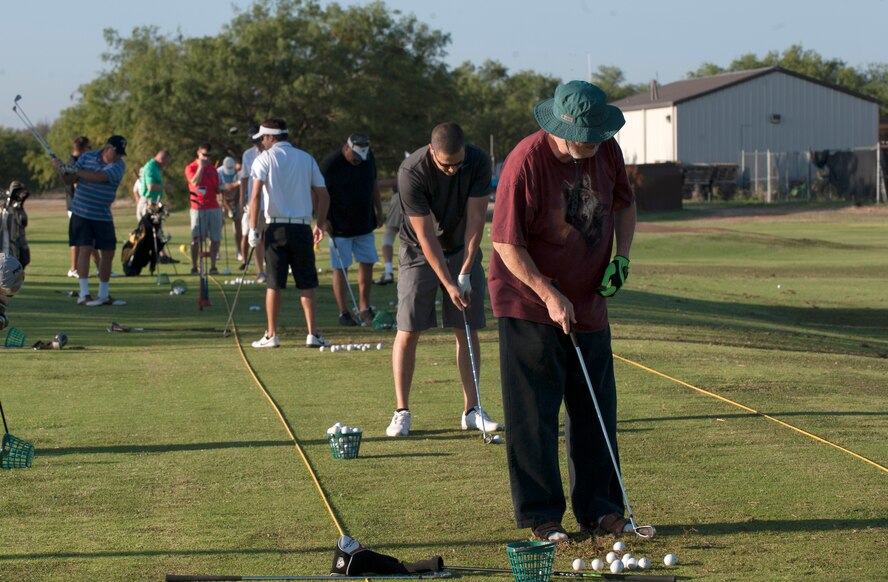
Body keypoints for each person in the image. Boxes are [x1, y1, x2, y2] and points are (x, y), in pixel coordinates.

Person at [488, 81, 637, 542]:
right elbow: (505, 243)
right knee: (533, 414)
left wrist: (622, 257)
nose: (593, 146)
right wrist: (548, 294)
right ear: (562, 128)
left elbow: (624, 206)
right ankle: (542, 517)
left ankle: (602, 510)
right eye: (586, 138)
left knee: (595, 408)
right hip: (529, 303)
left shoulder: (607, 151)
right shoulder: (525, 163)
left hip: (589, 300)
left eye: (598, 137)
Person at [384, 123, 501, 438]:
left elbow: (477, 218)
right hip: (418, 251)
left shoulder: (476, 162)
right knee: (409, 329)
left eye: (457, 163)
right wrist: (449, 283)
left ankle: (472, 410)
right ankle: (402, 411)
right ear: (431, 151)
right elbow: (425, 236)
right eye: (445, 164)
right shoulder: (411, 171)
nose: (452, 170)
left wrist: (464, 269)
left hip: (462, 246)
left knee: (467, 326)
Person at [246, 118, 331, 349]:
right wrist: (320, 224)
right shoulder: (306, 158)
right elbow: (324, 195)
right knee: (307, 283)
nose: (262, 142)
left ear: (272, 137)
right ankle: (312, 334)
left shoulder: (264, 159)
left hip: (275, 229)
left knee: (274, 283)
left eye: (263, 137)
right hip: (302, 228)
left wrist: (253, 229)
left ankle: (271, 335)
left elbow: (254, 197)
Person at [56, 135, 129, 306]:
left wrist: (74, 170)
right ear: (107, 148)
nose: (118, 156)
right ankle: (84, 294)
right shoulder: (86, 157)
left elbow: (100, 177)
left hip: (102, 214)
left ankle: (103, 294)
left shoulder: (119, 165)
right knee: (85, 249)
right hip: (81, 212)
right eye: (116, 152)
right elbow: (69, 180)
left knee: (109, 253)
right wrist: (62, 170)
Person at [320, 133, 383, 326]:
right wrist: (322, 219)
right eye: (355, 157)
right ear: (346, 148)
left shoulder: (368, 158)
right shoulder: (330, 163)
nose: (358, 161)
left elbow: (373, 184)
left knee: (368, 262)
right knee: (341, 267)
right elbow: (319, 193)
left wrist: (379, 211)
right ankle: (343, 312)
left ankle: (364, 308)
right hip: (338, 225)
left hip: (364, 222)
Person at [185, 143, 223, 275]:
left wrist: (224, 188)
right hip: (198, 207)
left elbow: (217, 189)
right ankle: (194, 266)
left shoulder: (213, 170)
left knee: (215, 238)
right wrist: (201, 167)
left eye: (209, 155)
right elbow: (194, 182)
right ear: (198, 153)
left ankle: (213, 266)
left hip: (214, 207)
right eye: (204, 155)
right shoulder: (191, 167)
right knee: (196, 239)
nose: (206, 158)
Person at [65, 136, 100, 278]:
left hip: (79, 206)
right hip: (77, 206)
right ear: (83, 148)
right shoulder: (75, 163)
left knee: (85, 240)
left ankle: (99, 267)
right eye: (89, 147)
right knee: (82, 240)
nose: (90, 150)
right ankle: (75, 269)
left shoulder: (74, 162)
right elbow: (76, 184)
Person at [240, 127, 266, 280]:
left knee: (270, 238)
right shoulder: (248, 155)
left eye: (257, 141)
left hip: (271, 203)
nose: (256, 144)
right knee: (256, 237)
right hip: (255, 203)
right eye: (253, 142)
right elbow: (244, 178)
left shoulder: (271, 153)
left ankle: (274, 268)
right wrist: (242, 199)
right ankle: (260, 271)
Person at [374, 182, 401, 285]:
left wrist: (378, 182)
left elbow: (397, 179)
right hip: (420, 199)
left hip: (402, 197)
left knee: (388, 236)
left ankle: (388, 272)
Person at [137, 150, 172, 220]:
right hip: (148, 202)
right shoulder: (151, 168)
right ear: (161, 159)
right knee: (150, 229)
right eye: (166, 162)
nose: (166, 165)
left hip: (154, 201)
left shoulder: (155, 167)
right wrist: (165, 186)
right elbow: (151, 186)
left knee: (156, 228)